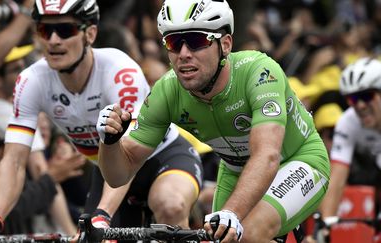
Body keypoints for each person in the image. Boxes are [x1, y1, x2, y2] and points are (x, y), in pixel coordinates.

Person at [0, 0, 203, 242]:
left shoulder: (119, 71)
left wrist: (102, 214)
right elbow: (14, 160)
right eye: (45, 31)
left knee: (170, 205)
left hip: (159, 157)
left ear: (90, 33)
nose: (54, 40)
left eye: (65, 30)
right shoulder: (31, 80)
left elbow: (130, 153)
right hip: (109, 170)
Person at [95, 0, 330, 242]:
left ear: (225, 44)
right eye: (174, 43)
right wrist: (110, 142)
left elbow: (267, 156)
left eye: (197, 41)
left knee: (246, 235)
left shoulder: (259, 72)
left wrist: (231, 212)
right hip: (236, 170)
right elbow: (118, 176)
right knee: (223, 238)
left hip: (298, 160)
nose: (184, 54)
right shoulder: (167, 92)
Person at [0, 102, 82, 234]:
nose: (4, 150)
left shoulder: (38, 159)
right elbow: (14, 209)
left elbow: (80, 193)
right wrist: (50, 177)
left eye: (8, 143)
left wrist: (68, 158)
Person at [319, 57, 381, 223]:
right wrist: (325, 226)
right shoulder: (348, 121)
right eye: (353, 99)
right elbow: (337, 177)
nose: (360, 105)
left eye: (366, 96)